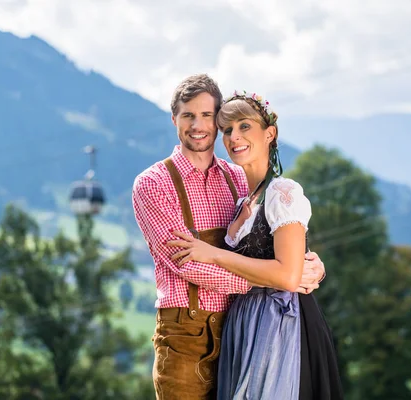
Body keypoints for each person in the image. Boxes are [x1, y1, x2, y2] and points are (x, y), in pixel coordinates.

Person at [132, 74, 326, 400]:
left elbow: (272, 236)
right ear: (174, 119)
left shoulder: (238, 176)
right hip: (186, 335)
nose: (198, 125)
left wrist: (308, 264)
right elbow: (189, 265)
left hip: (242, 329)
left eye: (207, 116)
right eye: (188, 115)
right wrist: (277, 280)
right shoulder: (154, 182)